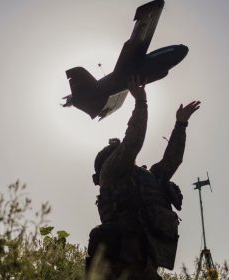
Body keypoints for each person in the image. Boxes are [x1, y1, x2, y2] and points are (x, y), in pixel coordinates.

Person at [86, 76, 200, 280]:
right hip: (118, 269)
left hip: (146, 268)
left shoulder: (145, 177)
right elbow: (132, 142)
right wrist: (141, 102)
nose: (121, 153)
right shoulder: (110, 173)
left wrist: (181, 124)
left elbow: (172, 160)